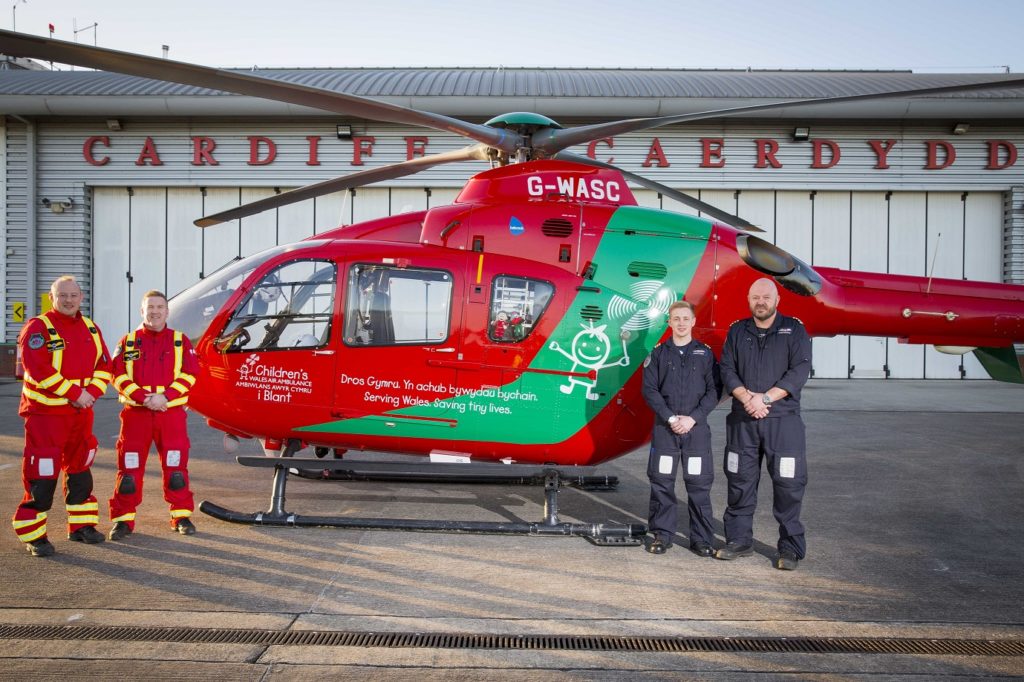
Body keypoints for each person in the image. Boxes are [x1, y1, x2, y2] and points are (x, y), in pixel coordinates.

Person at [12, 276, 113, 557]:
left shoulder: (91, 327)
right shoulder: (37, 328)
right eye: (62, 295)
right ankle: (34, 535)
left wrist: (91, 392)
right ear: (52, 297)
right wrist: (74, 393)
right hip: (46, 416)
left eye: (73, 295)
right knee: (41, 475)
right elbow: (38, 369)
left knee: (81, 469)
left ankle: (81, 527)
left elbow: (105, 364)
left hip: (81, 414)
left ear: (81, 297)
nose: (68, 300)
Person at [717, 278, 812, 570]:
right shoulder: (737, 331)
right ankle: (739, 540)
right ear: (749, 299)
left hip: (783, 423)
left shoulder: (794, 330)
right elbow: (727, 369)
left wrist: (765, 399)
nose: (761, 302)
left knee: (788, 485)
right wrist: (748, 398)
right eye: (756, 297)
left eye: (766, 297)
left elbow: (800, 370)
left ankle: (790, 548)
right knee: (740, 481)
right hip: (743, 420)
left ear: (777, 300)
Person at [108, 290, 200, 540]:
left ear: (167, 311)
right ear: (142, 311)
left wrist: (165, 397)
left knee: (176, 468)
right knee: (129, 469)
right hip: (135, 416)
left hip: (170, 416)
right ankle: (123, 520)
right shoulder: (127, 342)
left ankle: (181, 516)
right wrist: (143, 398)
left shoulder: (180, 341)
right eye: (150, 307)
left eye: (160, 307)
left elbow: (191, 374)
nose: (155, 311)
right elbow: (116, 375)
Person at [641, 300, 722, 556]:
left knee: (699, 486)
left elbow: (714, 391)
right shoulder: (658, 353)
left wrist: (692, 418)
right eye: (676, 319)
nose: (681, 323)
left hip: (696, 432)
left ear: (693, 322)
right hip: (666, 430)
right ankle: (662, 535)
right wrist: (671, 418)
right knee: (662, 483)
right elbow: (650, 390)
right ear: (669, 322)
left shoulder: (705, 354)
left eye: (685, 318)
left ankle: (702, 539)